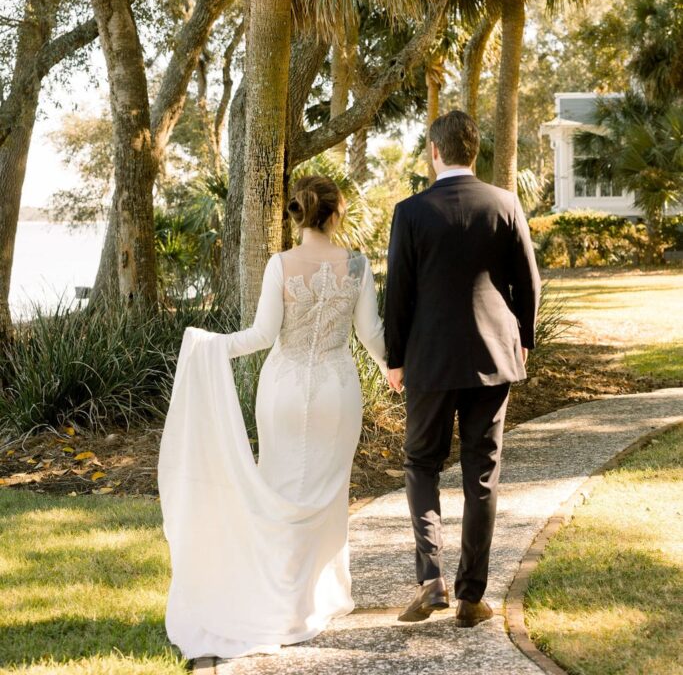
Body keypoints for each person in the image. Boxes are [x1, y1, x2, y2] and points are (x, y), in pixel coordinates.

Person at [158, 175, 387, 661]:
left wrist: (211, 345)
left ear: (298, 213)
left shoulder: (280, 264)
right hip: (336, 391)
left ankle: (276, 595)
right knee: (328, 494)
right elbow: (372, 335)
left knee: (279, 489)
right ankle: (316, 598)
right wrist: (396, 366)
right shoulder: (358, 265)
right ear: (337, 211)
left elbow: (263, 335)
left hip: (282, 390)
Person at [384, 109, 541, 628]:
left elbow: (399, 293)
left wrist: (395, 359)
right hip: (493, 359)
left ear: (435, 151)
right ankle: (472, 596)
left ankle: (431, 582)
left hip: (428, 361)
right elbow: (528, 284)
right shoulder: (505, 203)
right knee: (482, 473)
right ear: (474, 152)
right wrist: (524, 341)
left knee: (421, 464)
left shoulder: (410, 211)